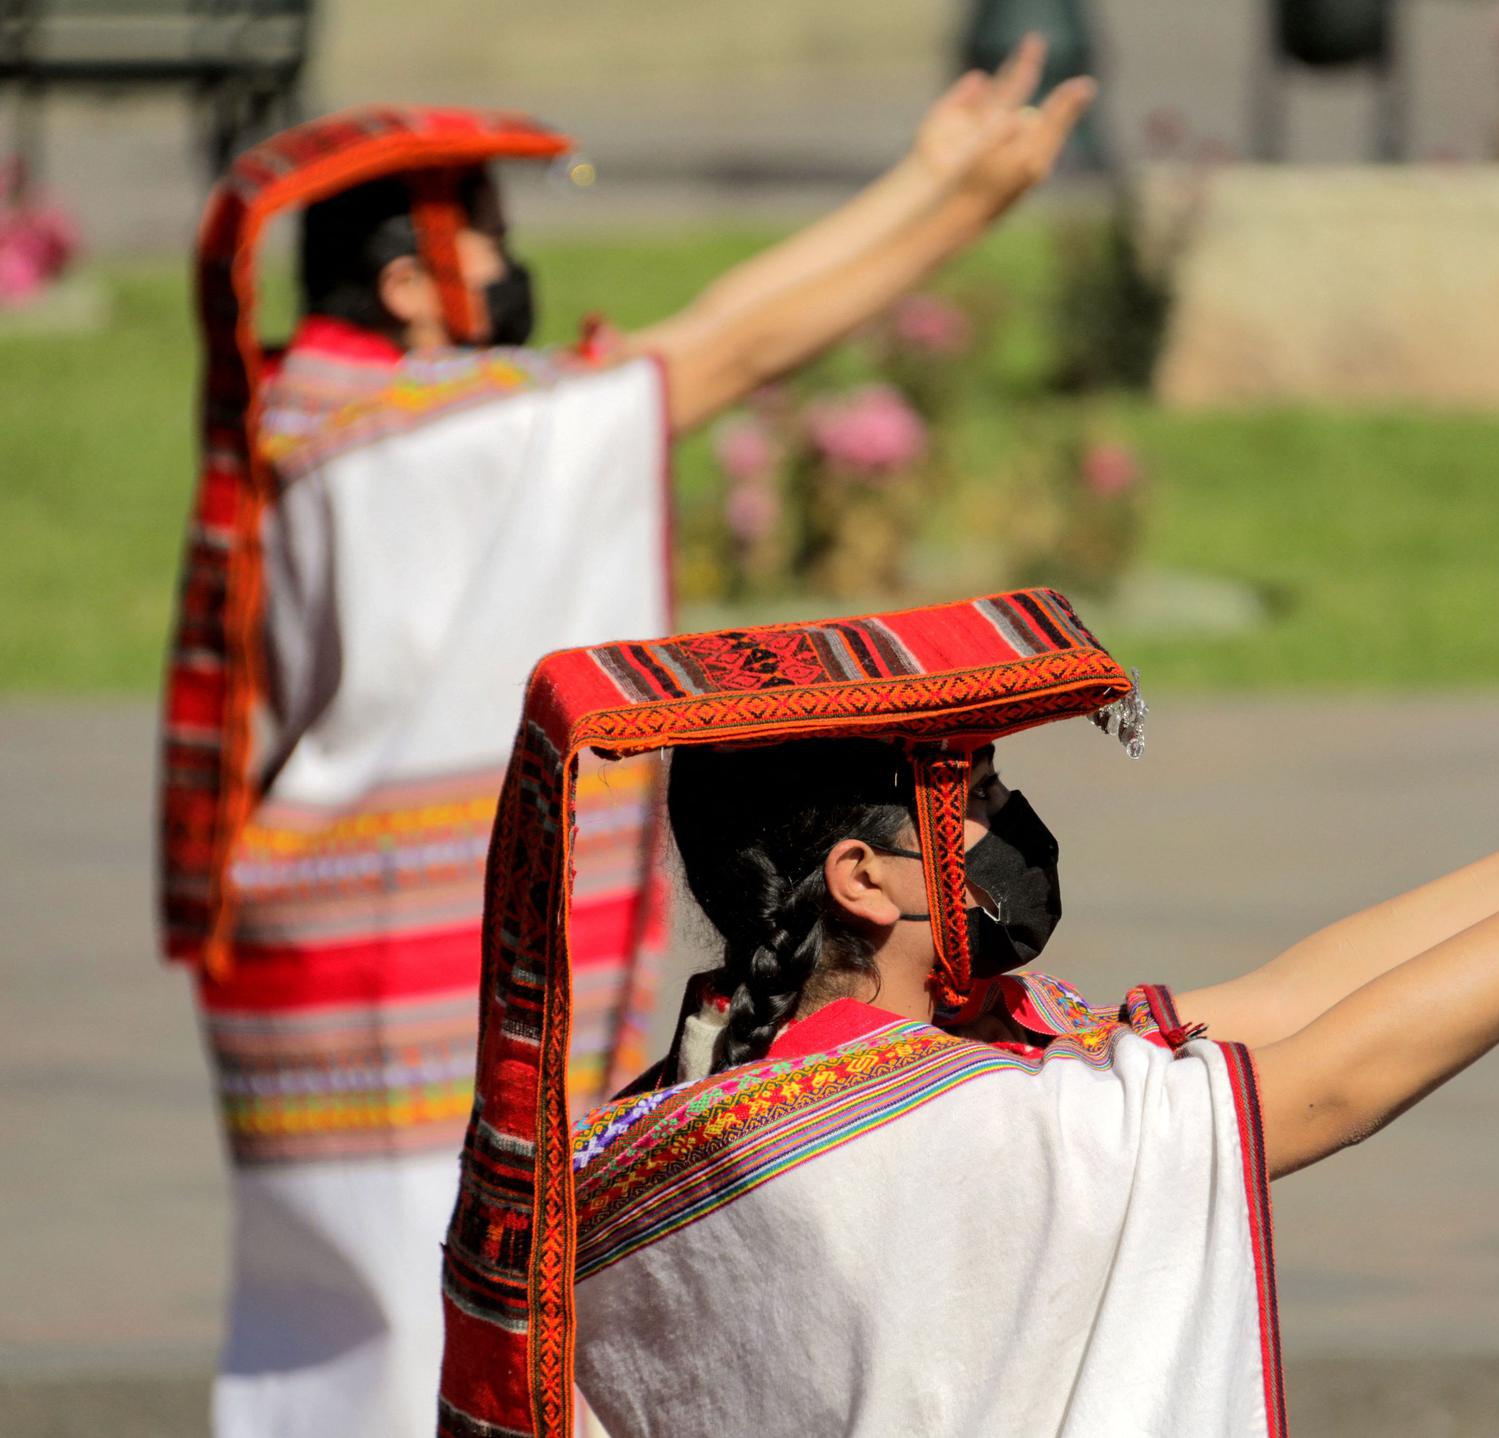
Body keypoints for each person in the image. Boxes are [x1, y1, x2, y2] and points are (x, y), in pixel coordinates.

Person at [159, 46, 1094, 1438]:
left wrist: (934, 182)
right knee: (441, 1322)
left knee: (333, 1335)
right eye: (484, 231)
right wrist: (951, 195)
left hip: (311, 946)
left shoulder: (308, 408)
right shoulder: (417, 432)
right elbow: (730, 345)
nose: (506, 259)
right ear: (411, 280)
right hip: (405, 952)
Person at [434, 590, 1499, 1437]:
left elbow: (1292, 1002)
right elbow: (1330, 1077)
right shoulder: (949, 1136)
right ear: (866, 877)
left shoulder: (685, 1114)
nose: (1008, 820)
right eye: (973, 795)